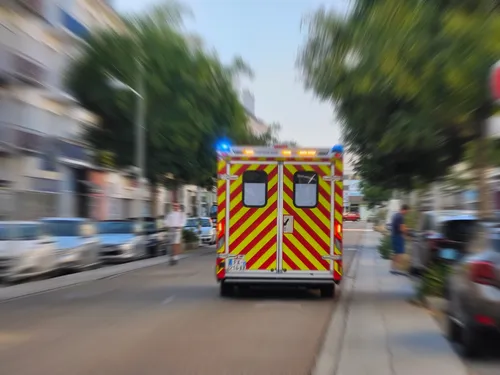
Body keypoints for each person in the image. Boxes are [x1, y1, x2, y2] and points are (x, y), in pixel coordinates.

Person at [390, 204, 410, 275]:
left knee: (396, 253)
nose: (407, 213)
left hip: (393, 235)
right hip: (398, 236)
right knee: (399, 253)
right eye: (407, 211)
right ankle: (397, 269)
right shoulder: (401, 217)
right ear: (404, 210)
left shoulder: (395, 215)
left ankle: (393, 268)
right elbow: (402, 228)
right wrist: (406, 232)